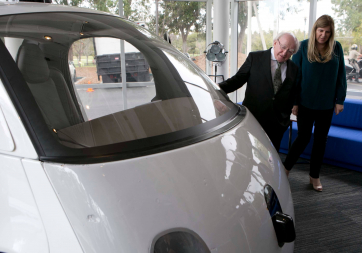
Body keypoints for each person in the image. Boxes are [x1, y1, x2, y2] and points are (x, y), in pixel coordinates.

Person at [283, 15, 347, 191]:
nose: (323, 35)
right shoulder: (303, 46)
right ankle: (285, 169)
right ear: (315, 30)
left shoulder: (336, 47)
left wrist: (340, 100)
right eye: (320, 31)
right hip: (305, 103)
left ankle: (314, 177)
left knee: (320, 141)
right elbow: (295, 77)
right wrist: (294, 102)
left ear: (331, 33)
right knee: (303, 138)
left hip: (326, 104)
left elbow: (341, 74)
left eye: (327, 32)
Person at [218, 32, 299, 152]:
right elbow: (237, 81)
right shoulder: (255, 58)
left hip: (277, 125)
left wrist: (285, 119)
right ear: (275, 42)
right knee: (245, 155)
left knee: (271, 161)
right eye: (283, 47)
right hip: (252, 120)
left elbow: (292, 93)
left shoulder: (294, 68)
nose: (285, 53)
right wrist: (214, 89)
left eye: (290, 51)